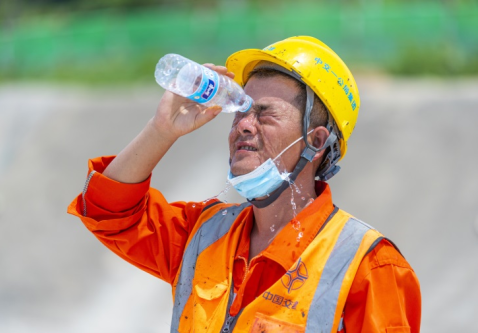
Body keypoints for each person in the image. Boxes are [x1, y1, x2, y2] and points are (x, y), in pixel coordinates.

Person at [68, 36, 421, 332]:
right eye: (240, 111)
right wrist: (161, 130)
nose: (243, 125)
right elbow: (109, 210)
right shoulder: (203, 236)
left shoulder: (368, 267)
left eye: (264, 113)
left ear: (315, 140)